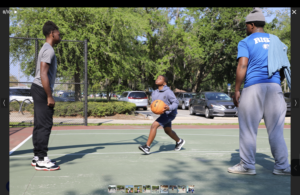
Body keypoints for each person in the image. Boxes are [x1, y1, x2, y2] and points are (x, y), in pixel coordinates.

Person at [228, 7, 290, 175]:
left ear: (252, 25)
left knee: (248, 128)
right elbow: (283, 67)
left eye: (247, 25)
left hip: (253, 88)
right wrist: (275, 83)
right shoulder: (277, 41)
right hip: (275, 89)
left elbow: (242, 65)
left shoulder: (246, 41)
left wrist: (236, 89)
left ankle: (247, 165)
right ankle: (283, 166)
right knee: (276, 130)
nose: (246, 28)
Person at [31, 21, 61, 171]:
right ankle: (42, 159)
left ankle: (37, 156)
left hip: (37, 88)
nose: (59, 35)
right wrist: (49, 95)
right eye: (58, 32)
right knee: (45, 125)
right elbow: (43, 74)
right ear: (52, 33)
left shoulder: (45, 48)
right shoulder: (49, 50)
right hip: (42, 90)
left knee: (39, 124)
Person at [138, 75, 185, 154]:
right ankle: (179, 141)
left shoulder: (168, 92)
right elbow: (154, 105)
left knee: (154, 125)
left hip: (170, 114)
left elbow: (176, 102)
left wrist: (169, 108)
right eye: (157, 78)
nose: (157, 79)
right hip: (163, 114)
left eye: (160, 79)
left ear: (164, 83)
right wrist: (154, 109)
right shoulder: (154, 93)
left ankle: (147, 147)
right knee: (168, 131)